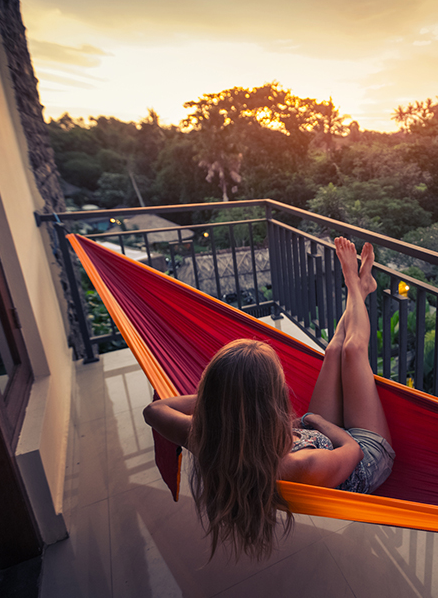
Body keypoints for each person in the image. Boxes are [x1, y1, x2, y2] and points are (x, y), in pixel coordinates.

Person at [142, 237, 395, 559]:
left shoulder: (204, 437)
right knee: (353, 349)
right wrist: (315, 421)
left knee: (333, 350)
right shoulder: (298, 465)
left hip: (308, 435)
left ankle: (359, 289)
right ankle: (354, 285)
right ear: (269, 401)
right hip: (364, 458)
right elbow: (353, 450)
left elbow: (154, 410)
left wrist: (223, 399)